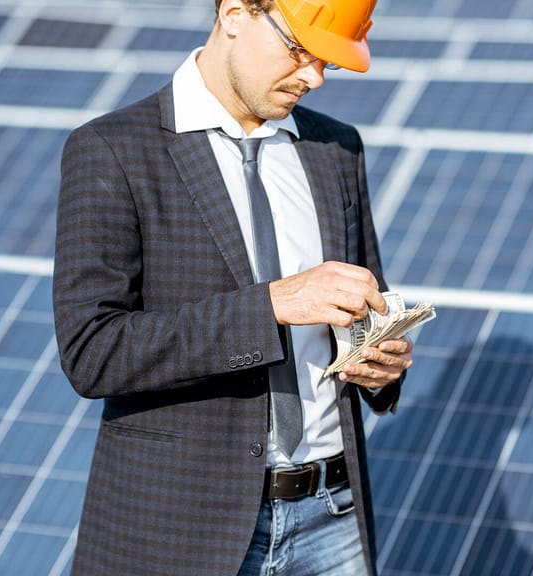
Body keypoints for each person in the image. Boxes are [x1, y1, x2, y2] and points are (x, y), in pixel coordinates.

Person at [52, 0, 412, 574]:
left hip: (333, 515)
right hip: (182, 529)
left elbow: (367, 298)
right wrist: (272, 305)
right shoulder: (113, 151)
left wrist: (383, 364)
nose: (313, 77)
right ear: (235, 13)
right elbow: (92, 352)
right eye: (299, 50)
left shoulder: (335, 150)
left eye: (328, 63)